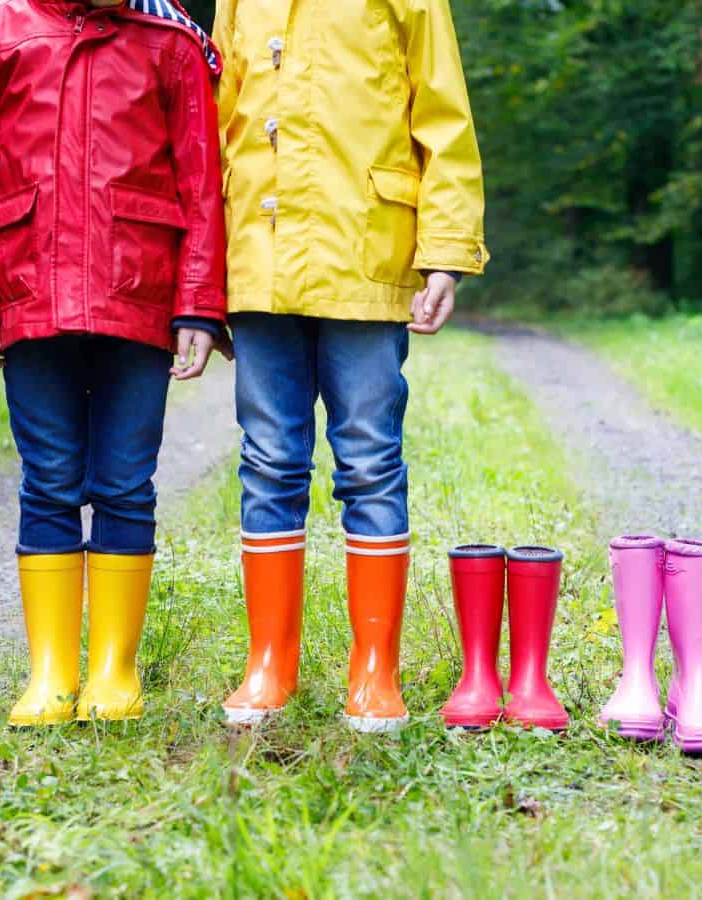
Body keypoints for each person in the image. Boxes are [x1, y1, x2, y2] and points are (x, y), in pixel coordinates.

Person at [0, 0, 228, 726]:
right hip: (29, 292)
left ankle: (112, 673)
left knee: (126, 482)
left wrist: (197, 303)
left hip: (141, 294)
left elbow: (201, 183)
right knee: (49, 481)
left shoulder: (170, 43)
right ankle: (51, 674)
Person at [215, 0, 488, 732]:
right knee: (269, 457)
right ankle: (268, 662)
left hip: (366, 256)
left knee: (369, 457)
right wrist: (204, 272)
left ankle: (376, 671)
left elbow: (445, 122)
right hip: (259, 261)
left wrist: (445, 256)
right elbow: (220, 123)